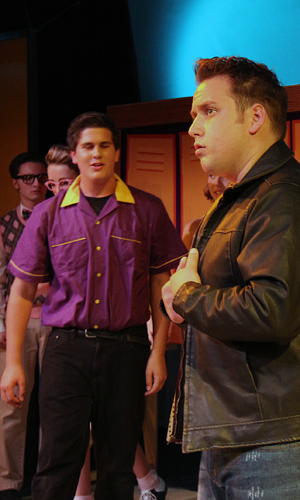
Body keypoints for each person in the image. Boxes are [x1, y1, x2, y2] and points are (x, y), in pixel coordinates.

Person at [161, 56, 300, 500]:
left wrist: (188, 296)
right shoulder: (239, 199)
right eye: (194, 115)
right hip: (241, 430)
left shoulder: (286, 199)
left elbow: (271, 310)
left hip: (282, 437)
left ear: (256, 117)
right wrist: (182, 298)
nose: (194, 127)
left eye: (208, 111)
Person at [0, 112, 186, 500]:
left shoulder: (147, 209)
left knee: (118, 464)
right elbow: (21, 289)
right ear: (75, 154)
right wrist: (14, 360)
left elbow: (159, 283)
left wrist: (158, 353)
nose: (96, 154)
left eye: (104, 145)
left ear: (116, 152)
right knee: (56, 461)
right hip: (67, 349)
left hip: (128, 348)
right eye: (88, 146)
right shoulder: (48, 215)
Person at [44, 144, 167, 500]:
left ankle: (146, 481)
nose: (58, 190)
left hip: (124, 334)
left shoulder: (136, 210)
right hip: (71, 337)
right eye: (51, 185)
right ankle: (96, 492)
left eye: (63, 181)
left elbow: (153, 278)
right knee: (71, 429)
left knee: (114, 431)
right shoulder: (51, 215)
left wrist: (156, 347)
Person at [0, 152, 50, 500]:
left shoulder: (61, 218)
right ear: (16, 182)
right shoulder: (4, 226)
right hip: (17, 323)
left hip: (57, 321)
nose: (36, 184)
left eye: (40, 177)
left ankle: (55, 480)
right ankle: (7, 482)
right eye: (28, 178)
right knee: (10, 407)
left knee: (57, 406)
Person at [181, 174, 230, 248]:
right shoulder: (193, 229)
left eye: (223, 175)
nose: (216, 182)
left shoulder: (248, 221)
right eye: (212, 175)